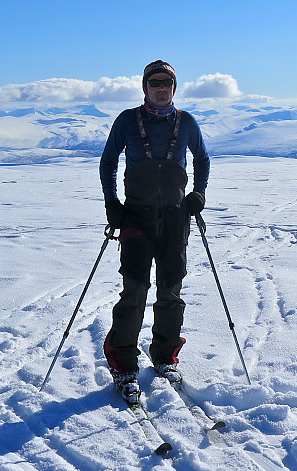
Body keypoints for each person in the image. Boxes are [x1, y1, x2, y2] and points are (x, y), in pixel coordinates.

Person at [99, 59, 210, 403]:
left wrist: (198, 194)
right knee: (134, 289)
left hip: (176, 217)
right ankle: (123, 362)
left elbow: (202, 160)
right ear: (145, 87)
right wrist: (112, 205)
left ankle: (165, 355)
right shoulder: (128, 121)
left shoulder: (186, 122)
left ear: (174, 87)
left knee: (171, 290)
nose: (161, 88)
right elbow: (108, 162)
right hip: (135, 218)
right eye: (155, 82)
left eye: (167, 83)